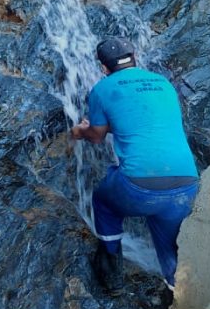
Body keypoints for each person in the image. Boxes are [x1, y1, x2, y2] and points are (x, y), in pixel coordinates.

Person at [70, 37, 199, 294]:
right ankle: (178, 297)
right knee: (168, 240)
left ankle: (112, 273)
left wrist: (79, 131)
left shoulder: (103, 88)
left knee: (104, 202)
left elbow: (96, 136)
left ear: (103, 68)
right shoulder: (163, 83)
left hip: (139, 188)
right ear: (135, 57)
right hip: (187, 184)